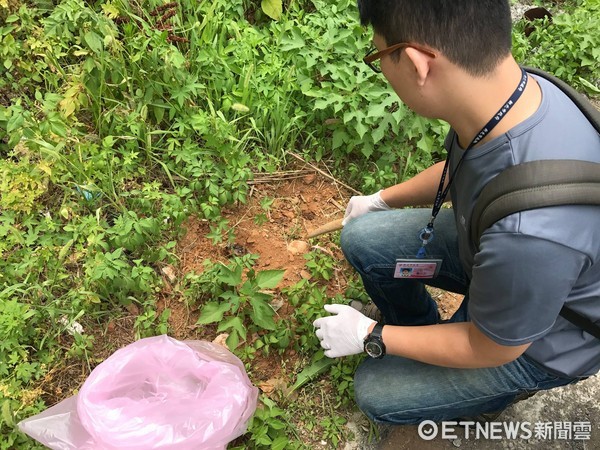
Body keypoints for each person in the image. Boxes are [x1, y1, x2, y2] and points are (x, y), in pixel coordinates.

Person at [313, 0, 600, 425]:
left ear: (415, 62)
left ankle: (495, 392)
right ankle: (416, 325)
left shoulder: (530, 234)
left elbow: (491, 347)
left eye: (377, 57)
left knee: (377, 390)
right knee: (365, 239)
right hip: (499, 257)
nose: (381, 69)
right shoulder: (511, 93)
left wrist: (372, 337)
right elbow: (463, 162)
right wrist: (382, 199)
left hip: (537, 337)